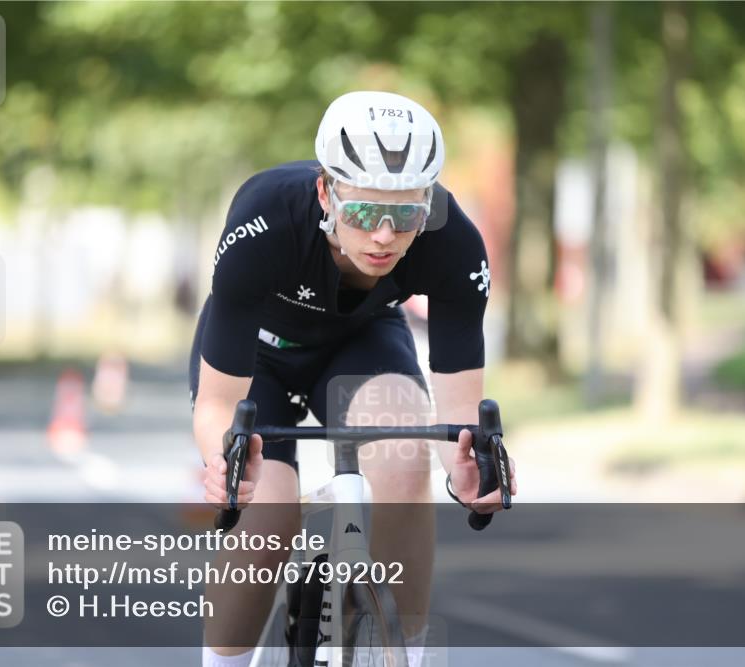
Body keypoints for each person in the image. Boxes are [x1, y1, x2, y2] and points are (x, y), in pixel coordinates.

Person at [190, 91, 517, 667]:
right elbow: (218, 404)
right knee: (267, 518)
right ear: (326, 191)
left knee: (405, 457)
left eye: (406, 215)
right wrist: (225, 467)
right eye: (364, 213)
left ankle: (402, 657)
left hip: (359, 343)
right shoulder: (263, 218)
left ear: (428, 205)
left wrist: (468, 469)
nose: (385, 236)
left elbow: (460, 421)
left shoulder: (454, 242)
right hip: (258, 358)